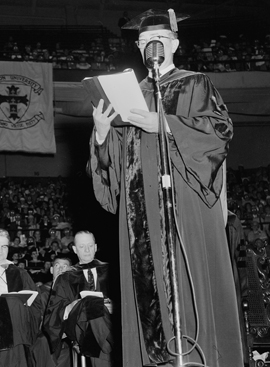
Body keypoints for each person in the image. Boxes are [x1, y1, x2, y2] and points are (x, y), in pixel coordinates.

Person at [88, 9, 243, 366]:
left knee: (188, 292)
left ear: (174, 43)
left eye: (156, 40)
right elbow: (112, 165)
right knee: (148, 289)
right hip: (140, 214)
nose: (149, 46)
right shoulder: (128, 94)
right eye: (142, 42)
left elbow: (219, 133)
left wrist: (163, 124)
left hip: (183, 205)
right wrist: (100, 133)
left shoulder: (194, 83)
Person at [0, 229, 50, 367]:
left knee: (12, 301)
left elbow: (36, 303)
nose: (0, 251)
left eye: (4, 246)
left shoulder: (20, 273)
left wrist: (21, 309)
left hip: (15, 328)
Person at [43, 231, 113, 367]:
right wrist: (71, 306)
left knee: (94, 339)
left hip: (107, 324)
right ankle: (114, 342)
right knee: (91, 303)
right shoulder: (65, 277)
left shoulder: (112, 270)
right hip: (78, 325)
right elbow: (52, 314)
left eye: (90, 245)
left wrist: (114, 306)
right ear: (75, 249)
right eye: (82, 246)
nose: (87, 250)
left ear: (96, 247)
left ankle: (107, 343)